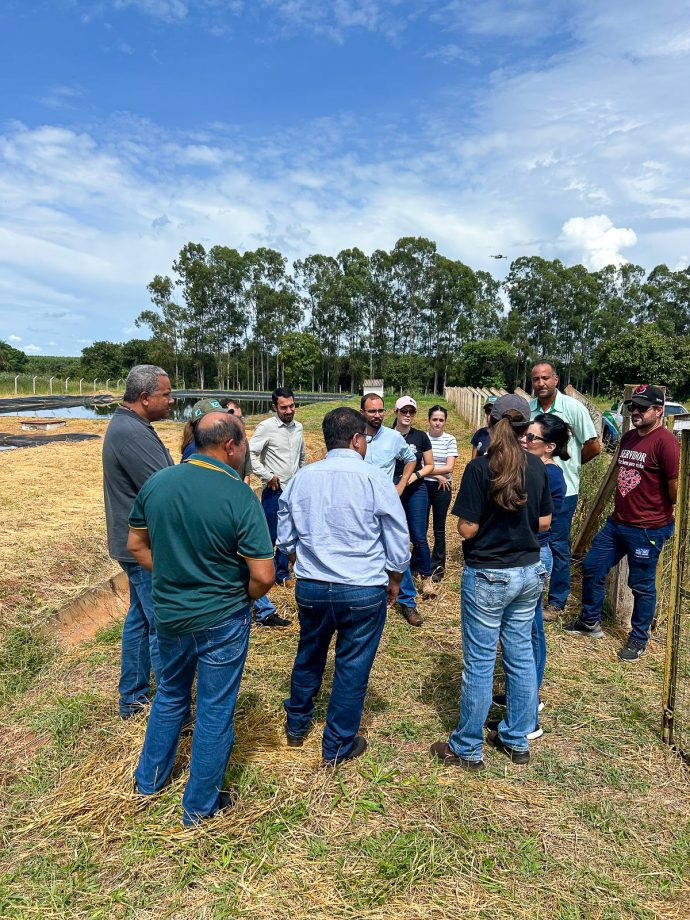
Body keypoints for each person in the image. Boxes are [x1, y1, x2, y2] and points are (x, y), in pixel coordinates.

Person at [129, 412, 275, 825]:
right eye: (244, 442)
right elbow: (263, 575)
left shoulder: (158, 483)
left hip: (171, 615)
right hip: (222, 620)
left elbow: (135, 545)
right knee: (214, 709)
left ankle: (148, 781)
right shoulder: (239, 495)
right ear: (230, 445)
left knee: (170, 695)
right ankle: (200, 806)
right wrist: (236, 596)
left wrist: (175, 574)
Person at [277, 407, 410, 765]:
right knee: (352, 666)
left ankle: (297, 724)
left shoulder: (303, 478)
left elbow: (285, 533)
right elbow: (397, 536)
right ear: (356, 439)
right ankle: (337, 744)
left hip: (313, 586)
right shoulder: (374, 479)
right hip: (362, 588)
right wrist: (395, 579)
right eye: (365, 439)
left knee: (310, 652)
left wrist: (293, 559)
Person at [430, 394, 551, 770]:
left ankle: (467, 746)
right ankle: (516, 738)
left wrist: (482, 527)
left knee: (480, 662)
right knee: (520, 656)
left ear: (491, 422)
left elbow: (467, 528)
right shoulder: (536, 466)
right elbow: (545, 522)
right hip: (529, 572)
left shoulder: (481, 469)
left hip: (488, 574)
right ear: (524, 427)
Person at [564, 385, 679, 661]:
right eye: (632, 407)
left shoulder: (666, 443)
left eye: (642, 407)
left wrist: (655, 510)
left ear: (658, 410)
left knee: (641, 584)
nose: (635, 412)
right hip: (618, 523)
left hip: (648, 528)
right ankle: (590, 621)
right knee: (592, 566)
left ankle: (638, 638)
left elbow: (674, 488)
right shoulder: (628, 438)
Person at [102, 364, 175, 718]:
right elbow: (165, 488)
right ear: (145, 398)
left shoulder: (132, 426)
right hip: (143, 544)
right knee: (161, 622)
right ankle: (171, 705)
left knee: (140, 619)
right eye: (166, 394)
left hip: (134, 539)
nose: (172, 400)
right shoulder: (131, 434)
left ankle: (132, 696)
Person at [182, 398, 289, 628]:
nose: (233, 419)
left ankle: (261, 609)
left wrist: (240, 492)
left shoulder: (233, 444)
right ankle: (258, 608)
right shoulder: (196, 451)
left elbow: (245, 472)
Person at [530, 362, 601, 617]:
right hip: (533, 487)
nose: (541, 383)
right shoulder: (531, 408)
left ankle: (557, 600)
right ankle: (532, 593)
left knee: (557, 543)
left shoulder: (573, 408)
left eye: (545, 378)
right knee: (535, 539)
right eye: (536, 379)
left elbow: (594, 445)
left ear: (556, 379)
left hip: (564, 489)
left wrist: (570, 463)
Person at [514, 413, 569, 740]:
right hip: (530, 553)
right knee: (529, 629)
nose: (524, 440)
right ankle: (527, 695)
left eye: (531, 438)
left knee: (529, 634)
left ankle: (528, 707)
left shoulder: (548, 475)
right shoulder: (536, 468)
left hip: (535, 555)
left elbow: (537, 521)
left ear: (549, 447)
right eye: (524, 435)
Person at [359, 393, 422, 625]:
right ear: (363, 413)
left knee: (397, 548)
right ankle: (367, 599)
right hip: (360, 504)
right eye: (372, 411)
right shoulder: (355, 438)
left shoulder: (394, 437)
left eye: (380, 410)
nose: (377, 415)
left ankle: (408, 602)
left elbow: (410, 458)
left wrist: (402, 483)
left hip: (386, 503)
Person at [249, 387, 306, 588]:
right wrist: (267, 476)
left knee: (290, 532)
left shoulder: (298, 427)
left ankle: (281, 574)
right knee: (271, 534)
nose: (289, 411)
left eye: (291, 406)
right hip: (275, 490)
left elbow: (301, 456)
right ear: (275, 407)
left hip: (294, 489)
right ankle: (261, 572)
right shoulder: (266, 427)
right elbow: (250, 454)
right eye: (284, 408)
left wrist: (302, 476)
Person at [392, 396, 437, 599]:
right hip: (392, 488)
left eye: (411, 411)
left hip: (416, 488)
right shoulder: (386, 435)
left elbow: (429, 464)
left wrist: (413, 477)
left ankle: (426, 578)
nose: (408, 415)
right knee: (393, 535)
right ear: (396, 412)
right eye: (404, 411)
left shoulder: (420, 437)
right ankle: (393, 577)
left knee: (419, 536)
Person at [425, 405, 458, 582]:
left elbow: (450, 466)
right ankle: (420, 563)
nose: (437, 423)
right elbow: (417, 465)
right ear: (429, 420)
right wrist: (438, 476)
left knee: (439, 528)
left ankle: (438, 566)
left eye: (441, 420)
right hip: (423, 486)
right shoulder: (423, 438)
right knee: (420, 528)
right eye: (434, 419)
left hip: (442, 489)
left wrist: (430, 471)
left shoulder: (450, 439)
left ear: (445, 421)